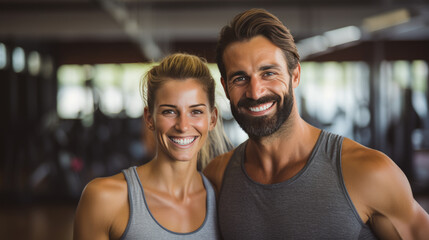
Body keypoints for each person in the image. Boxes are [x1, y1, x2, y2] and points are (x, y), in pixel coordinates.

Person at [204, 8, 429, 240]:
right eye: (240, 78)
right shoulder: (218, 176)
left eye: (269, 73)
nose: (255, 91)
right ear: (226, 86)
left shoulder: (369, 172)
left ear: (295, 75)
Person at [74, 53, 232, 240]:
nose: (183, 126)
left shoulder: (223, 201)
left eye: (196, 111)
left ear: (212, 119)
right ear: (149, 118)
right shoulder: (103, 199)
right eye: (169, 111)